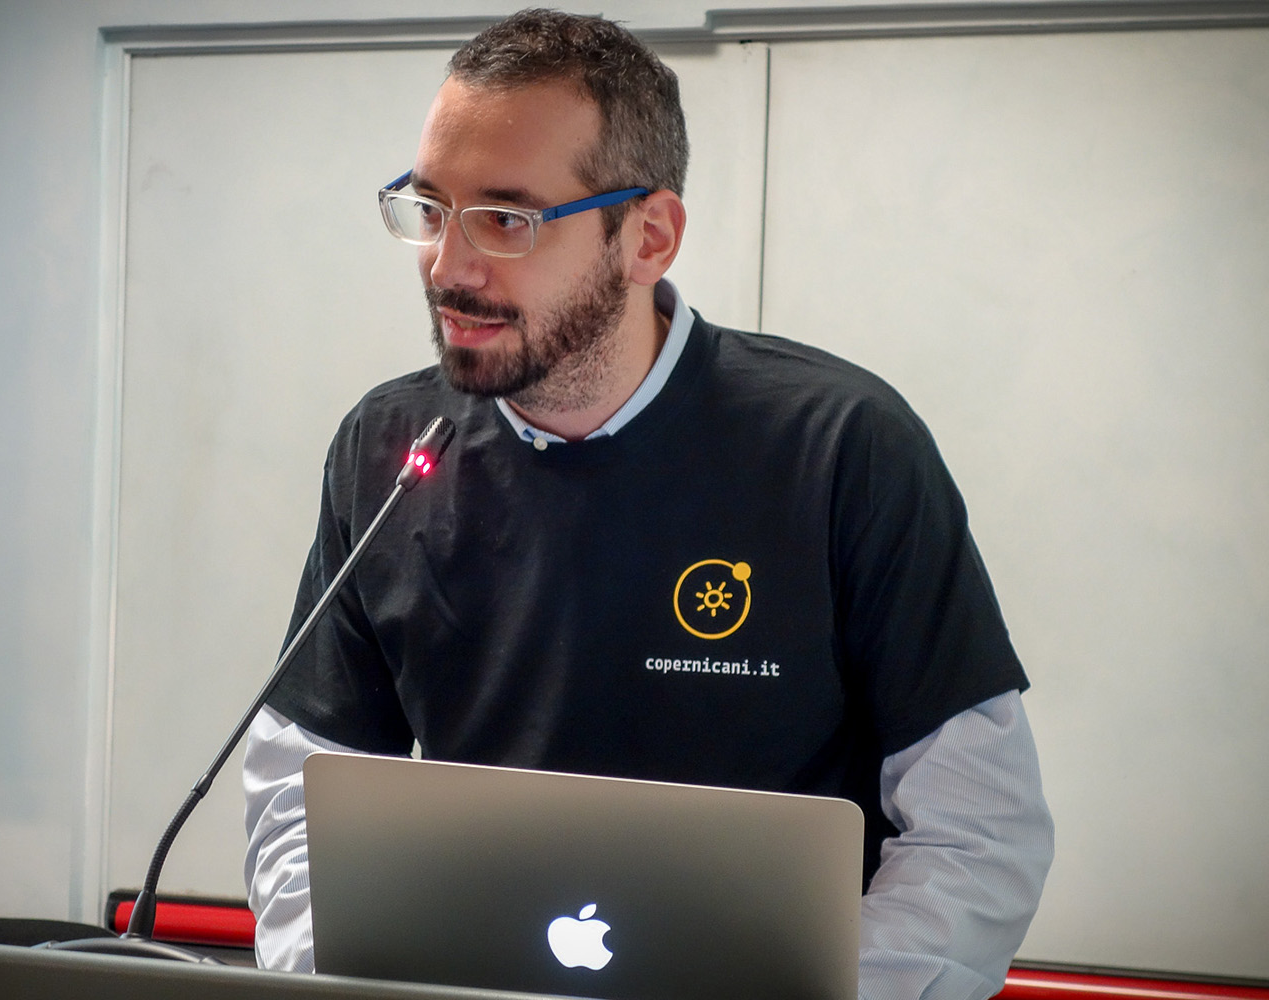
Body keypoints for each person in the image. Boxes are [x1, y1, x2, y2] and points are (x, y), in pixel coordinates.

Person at [244, 9, 1054, 1000]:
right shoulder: (387, 450)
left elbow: (977, 832)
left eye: (506, 219)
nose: (447, 266)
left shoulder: (843, 448)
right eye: (431, 208)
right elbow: (299, 787)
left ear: (648, 236)